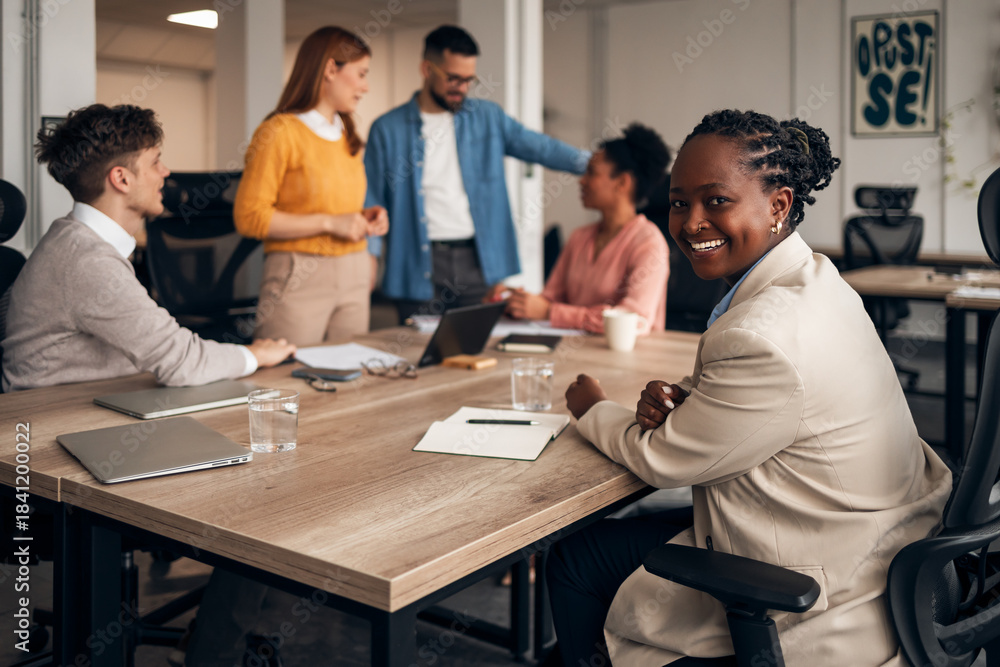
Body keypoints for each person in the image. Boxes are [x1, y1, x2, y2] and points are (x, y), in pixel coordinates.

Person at [548, 109, 953, 666]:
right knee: (607, 545)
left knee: (575, 561)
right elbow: (773, 395)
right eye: (679, 203)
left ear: (779, 205)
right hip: (873, 546)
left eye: (716, 201)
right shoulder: (817, 281)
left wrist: (592, 406)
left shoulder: (761, 334)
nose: (691, 223)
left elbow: (663, 460)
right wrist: (688, 399)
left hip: (827, 592)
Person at [1, 104, 294, 393]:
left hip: (87, 396)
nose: (165, 172)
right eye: (155, 162)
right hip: (52, 411)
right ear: (121, 179)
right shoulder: (88, 261)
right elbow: (183, 362)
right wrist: (257, 354)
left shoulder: (71, 239)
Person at [364, 25, 591, 324]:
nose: (461, 88)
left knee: (479, 343)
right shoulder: (387, 129)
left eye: (469, 80)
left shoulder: (487, 117)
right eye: (453, 78)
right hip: (417, 263)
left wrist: (595, 164)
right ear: (426, 69)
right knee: (417, 347)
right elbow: (372, 199)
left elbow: (541, 148)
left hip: (479, 262)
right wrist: (369, 259)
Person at [234, 26, 388, 347]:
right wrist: (330, 223)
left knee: (350, 370)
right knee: (286, 373)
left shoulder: (348, 136)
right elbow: (249, 217)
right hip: (299, 272)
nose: (365, 86)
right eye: (361, 74)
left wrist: (363, 217)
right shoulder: (279, 132)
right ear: (331, 69)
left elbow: (326, 204)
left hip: (355, 269)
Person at [505, 123, 670, 334]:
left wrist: (551, 313)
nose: (582, 181)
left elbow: (634, 320)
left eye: (591, 172)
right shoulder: (579, 237)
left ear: (622, 182)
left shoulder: (649, 244)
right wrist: (515, 301)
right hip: (573, 348)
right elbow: (549, 301)